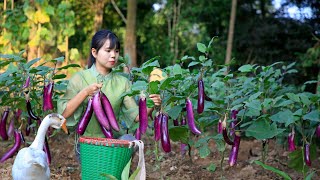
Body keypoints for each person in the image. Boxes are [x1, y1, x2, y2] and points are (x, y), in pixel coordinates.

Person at [57, 29, 161, 160]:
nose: (113, 55)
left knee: (129, 140)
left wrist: (152, 103)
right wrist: (85, 93)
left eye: (116, 51)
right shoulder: (79, 78)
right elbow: (63, 114)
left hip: (114, 144)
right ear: (94, 52)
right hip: (87, 146)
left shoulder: (123, 82)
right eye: (108, 50)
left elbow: (136, 116)